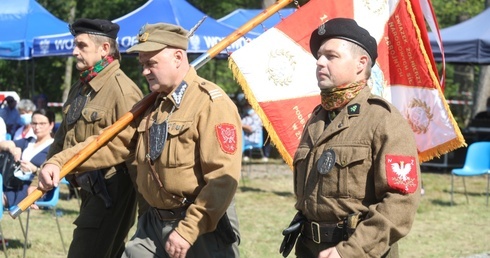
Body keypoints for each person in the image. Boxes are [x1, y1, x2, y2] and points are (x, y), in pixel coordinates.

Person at [38, 22, 242, 258]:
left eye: (151, 63)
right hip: (154, 225)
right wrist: (59, 162)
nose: (144, 71)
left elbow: (222, 179)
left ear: (178, 57)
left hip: (201, 226)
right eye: (142, 64)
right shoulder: (150, 106)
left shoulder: (211, 104)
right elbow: (111, 143)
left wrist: (188, 230)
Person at [280, 18, 421, 258]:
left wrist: (351, 252)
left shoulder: (382, 119)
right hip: (308, 249)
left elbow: (400, 202)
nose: (320, 62)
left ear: (360, 63)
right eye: (319, 56)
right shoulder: (317, 119)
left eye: (331, 56)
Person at [42, 18, 144, 258]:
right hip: (89, 190)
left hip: (112, 193)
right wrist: (47, 168)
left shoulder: (122, 90)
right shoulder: (81, 87)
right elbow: (62, 136)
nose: (74, 51)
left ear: (104, 49)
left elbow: (125, 145)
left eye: (81, 45)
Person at [1, 108, 55, 208]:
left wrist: (34, 169)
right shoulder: (28, 141)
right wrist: (13, 148)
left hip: (34, 187)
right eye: (34, 123)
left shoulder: (54, 147)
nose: (37, 127)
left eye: (42, 123)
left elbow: (55, 173)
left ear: (51, 125)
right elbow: (3, 144)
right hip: (11, 181)